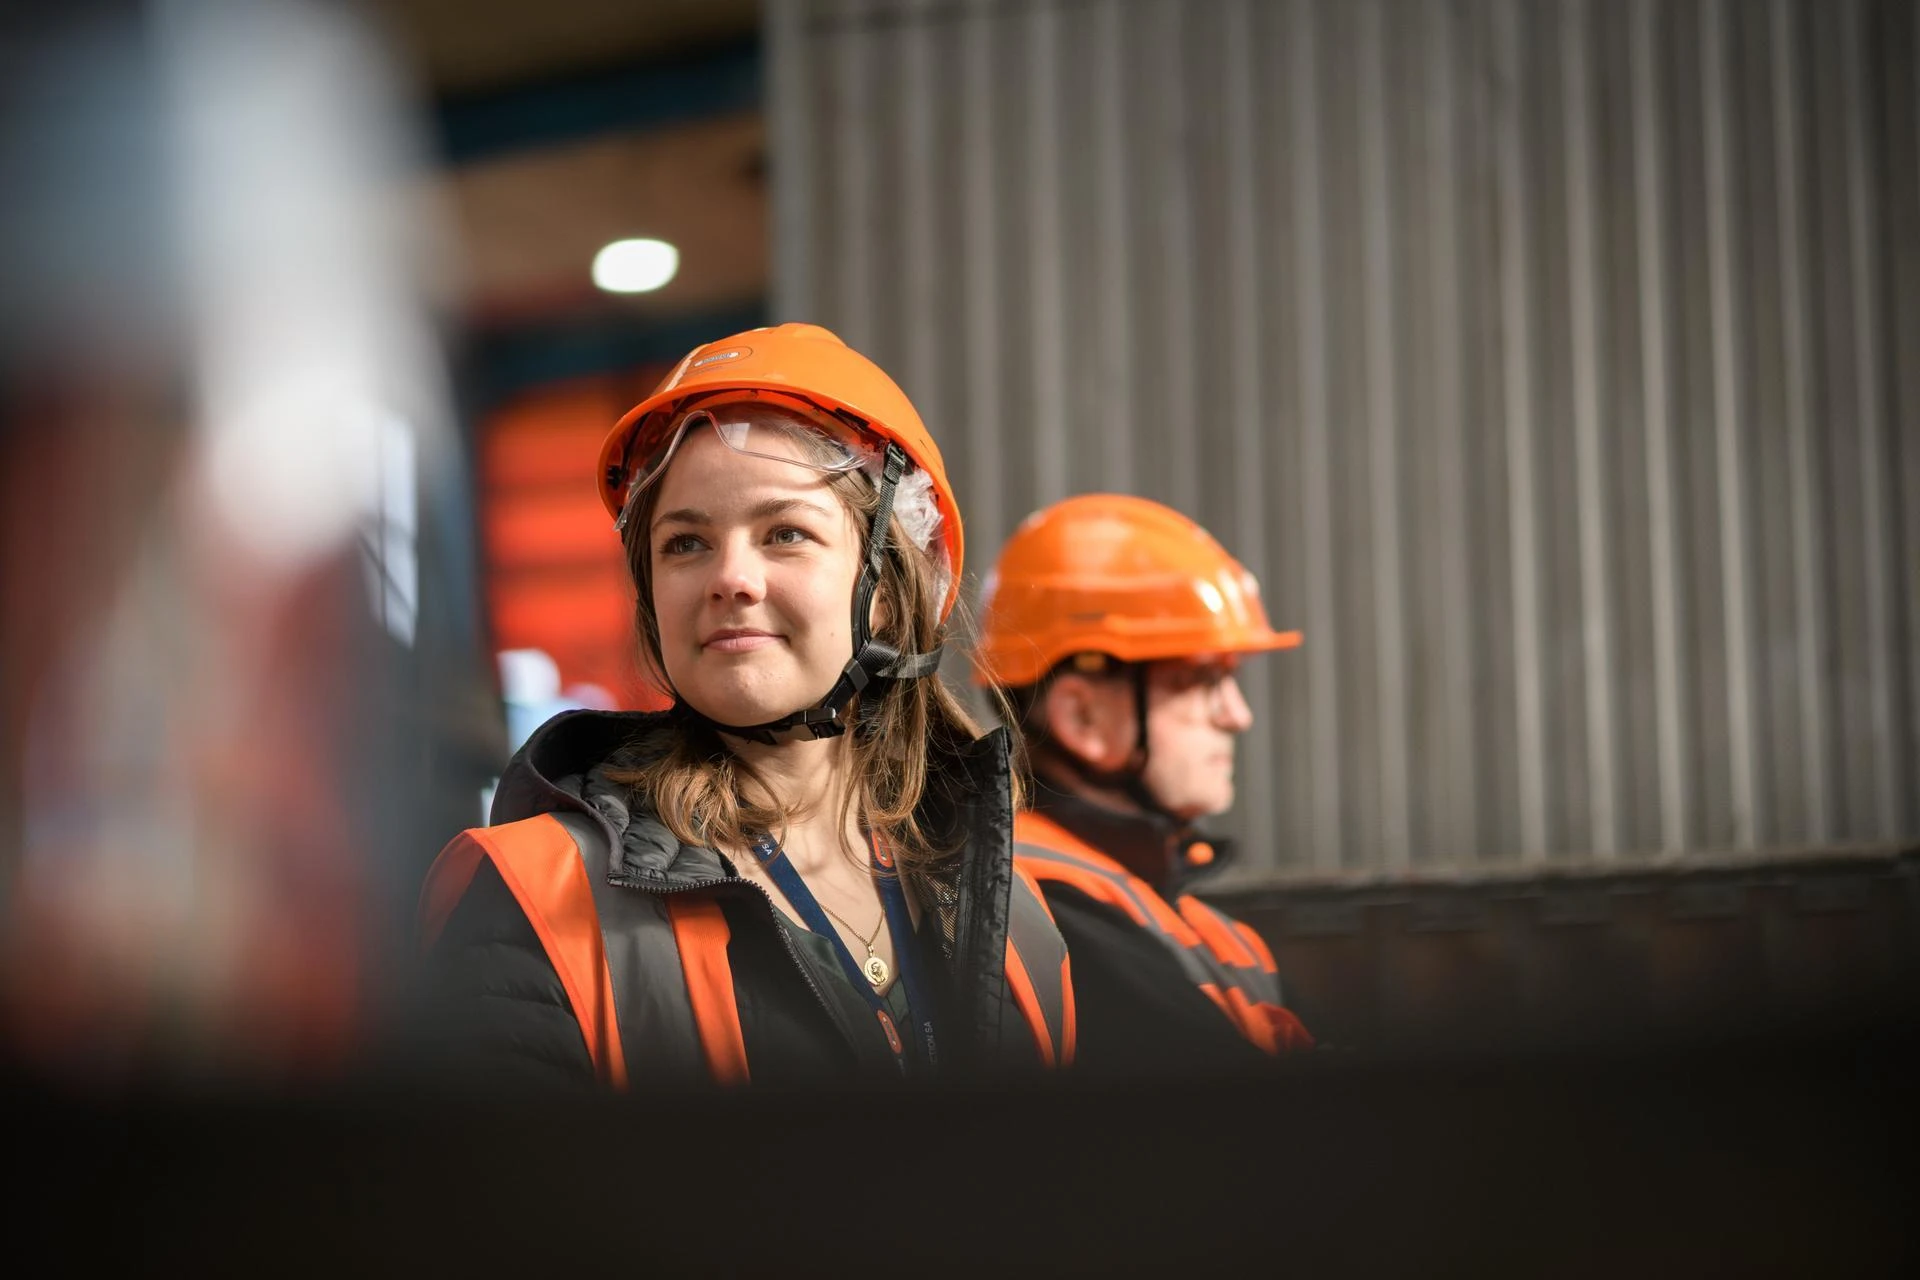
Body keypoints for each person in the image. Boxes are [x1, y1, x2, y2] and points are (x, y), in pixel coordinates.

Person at [414, 324, 1074, 1090]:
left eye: (785, 533)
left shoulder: (1016, 920)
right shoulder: (531, 893)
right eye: (685, 544)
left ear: (890, 593)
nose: (731, 578)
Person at [973, 494, 1313, 1076]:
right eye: (1199, 680)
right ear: (1083, 718)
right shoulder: (1043, 910)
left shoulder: (1177, 914)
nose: (1237, 715)